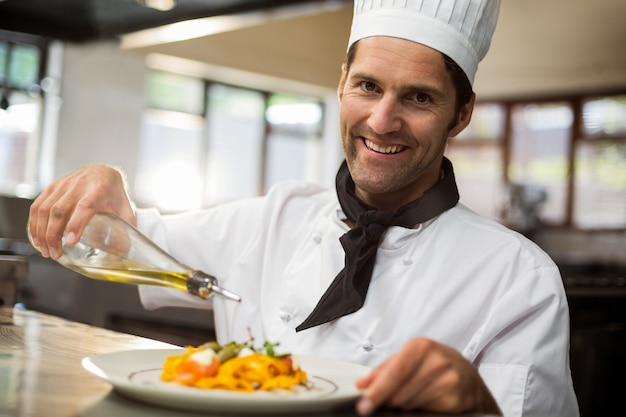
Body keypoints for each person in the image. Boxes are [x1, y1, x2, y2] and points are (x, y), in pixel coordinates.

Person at [28, 0, 579, 416]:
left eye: (418, 97)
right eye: (367, 86)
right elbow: (123, 239)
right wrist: (105, 187)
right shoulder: (273, 219)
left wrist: (477, 407)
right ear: (341, 84)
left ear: (460, 115)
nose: (382, 121)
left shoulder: (518, 279)